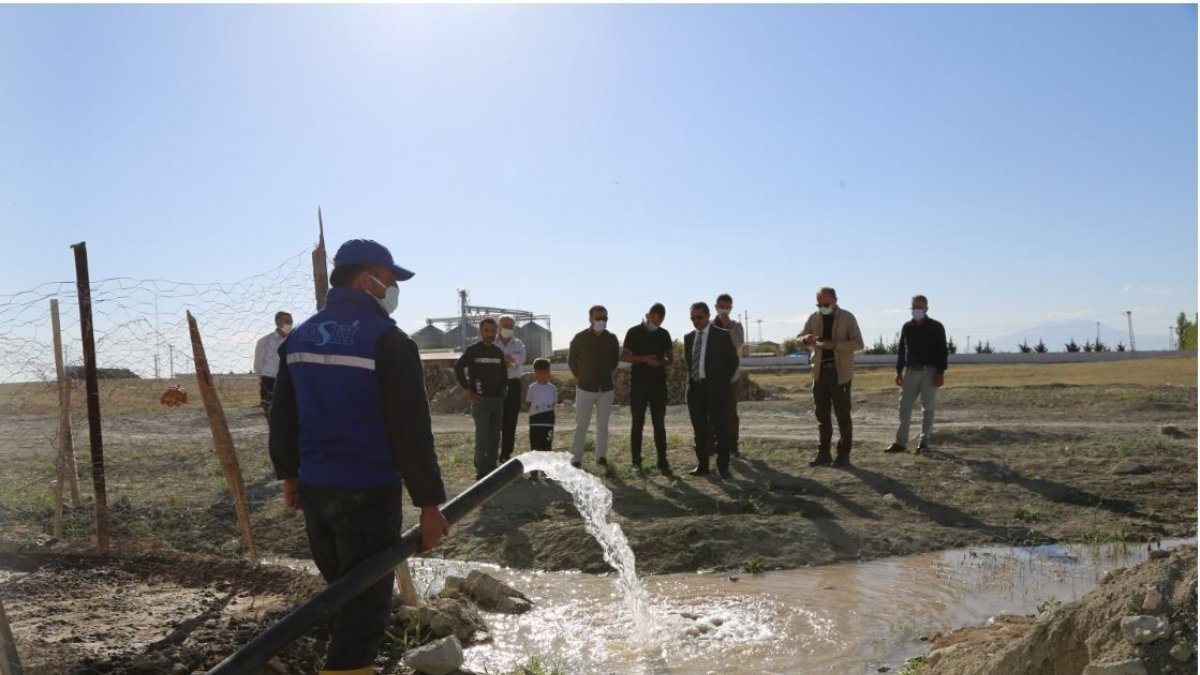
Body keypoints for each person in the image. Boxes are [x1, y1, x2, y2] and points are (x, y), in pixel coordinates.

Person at [268, 239, 449, 675]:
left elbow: (283, 416)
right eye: (388, 280)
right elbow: (410, 431)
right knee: (366, 606)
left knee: (342, 593)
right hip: (367, 490)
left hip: (316, 489)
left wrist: (290, 476)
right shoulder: (387, 340)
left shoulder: (300, 336)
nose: (392, 289)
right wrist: (429, 506)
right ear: (364, 279)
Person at [799, 286, 864, 468]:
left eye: (825, 304)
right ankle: (823, 453)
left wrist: (835, 345)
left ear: (835, 300)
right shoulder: (813, 317)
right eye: (819, 304)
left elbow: (858, 344)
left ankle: (843, 454)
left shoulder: (847, 318)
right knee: (822, 415)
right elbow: (799, 338)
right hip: (819, 372)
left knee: (843, 414)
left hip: (840, 373)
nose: (822, 307)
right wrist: (806, 339)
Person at [885, 295, 948, 455]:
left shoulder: (936, 327)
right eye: (913, 308)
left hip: (930, 372)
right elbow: (901, 350)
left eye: (919, 307)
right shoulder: (907, 327)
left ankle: (924, 444)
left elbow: (942, 351)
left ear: (926, 309)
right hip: (910, 372)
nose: (916, 310)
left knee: (928, 410)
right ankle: (900, 443)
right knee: (904, 408)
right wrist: (899, 371)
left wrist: (940, 372)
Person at [683, 301, 740, 479]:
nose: (696, 321)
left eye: (699, 317)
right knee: (699, 430)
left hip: (716, 389)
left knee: (720, 429)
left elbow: (733, 362)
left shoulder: (721, 335)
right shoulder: (689, 338)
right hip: (696, 389)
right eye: (693, 318)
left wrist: (721, 381)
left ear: (708, 316)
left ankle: (723, 467)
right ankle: (702, 465)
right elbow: (689, 362)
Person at [621, 302, 674, 475]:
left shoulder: (664, 334)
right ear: (649, 315)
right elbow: (624, 356)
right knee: (637, 424)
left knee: (659, 424)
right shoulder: (633, 332)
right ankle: (636, 461)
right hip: (639, 385)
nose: (656, 323)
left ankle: (662, 460)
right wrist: (644, 359)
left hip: (658, 385)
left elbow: (670, 359)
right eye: (655, 319)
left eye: (660, 321)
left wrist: (659, 362)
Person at [453, 317, 509, 480]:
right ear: (481, 331)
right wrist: (467, 389)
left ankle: (492, 468)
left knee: (495, 435)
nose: (490, 334)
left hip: (497, 400)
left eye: (493, 331)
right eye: (486, 331)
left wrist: (503, 390)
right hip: (480, 401)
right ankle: (481, 470)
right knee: (483, 436)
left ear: (496, 332)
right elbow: (458, 367)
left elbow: (503, 373)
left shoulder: (498, 352)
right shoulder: (473, 350)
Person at [568, 305, 620, 469]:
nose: (601, 321)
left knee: (603, 425)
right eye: (598, 318)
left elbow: (614, 361)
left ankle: (601, 456)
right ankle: (576, 458)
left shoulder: (611, 339)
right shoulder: (580, 338)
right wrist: (582, 377)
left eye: (605, 318)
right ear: (590, 319)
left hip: (606, 388)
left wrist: (604, 375)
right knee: (581, 424)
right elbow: (572, 361)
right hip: (585, 388)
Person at [712, 294, 746, 458]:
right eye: (721, 306)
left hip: (731, 377)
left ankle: (732, 446)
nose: (724, 309)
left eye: (727, 306)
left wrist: (728, 326)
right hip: (713, 378)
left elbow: (737, 343)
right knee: (713, 412)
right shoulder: (709, 326)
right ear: (716, 306)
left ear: (731, 308)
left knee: (730, 413)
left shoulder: (737, 326)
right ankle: (715, 445)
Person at [495, 314, 527, 464]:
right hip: (495, 384)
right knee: (494, 421)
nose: (507, 328)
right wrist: (510, 359)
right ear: (499, 326)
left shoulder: (518, 343)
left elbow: (521, 359)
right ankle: (492, 453)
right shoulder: (492, 343)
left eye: (510, 326)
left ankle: (506, 454)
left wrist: (502, 359)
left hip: (513, 385)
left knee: (510, 421)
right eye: (504, 325)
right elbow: (496, 362)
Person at [253, 311, 292, 415]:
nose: (290, 324)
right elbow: (258, 362)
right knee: (271, 413)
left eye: (291, 321)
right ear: (277, 323)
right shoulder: (265, 341)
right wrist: (261, 379)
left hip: (290, 379)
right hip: (270, 380)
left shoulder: (294, 340)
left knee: (289, 413)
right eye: (286, 321)